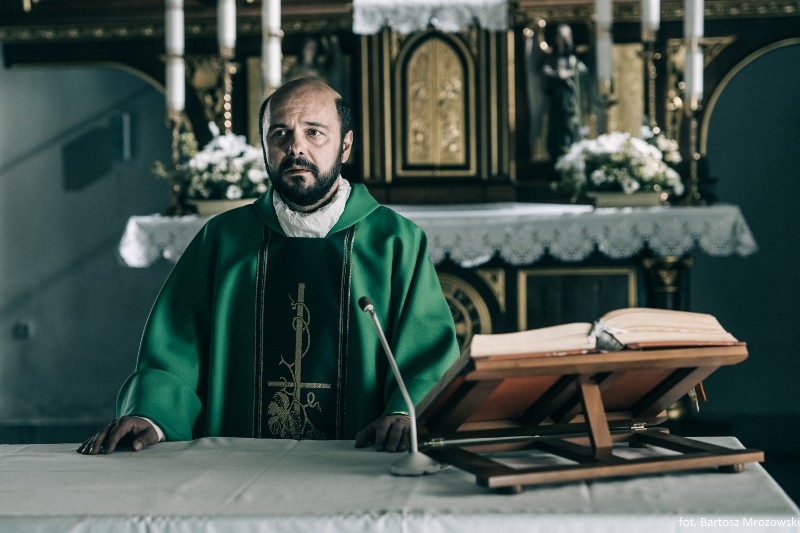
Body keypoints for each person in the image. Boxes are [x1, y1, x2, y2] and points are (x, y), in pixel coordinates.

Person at [78, 78, 460, 456]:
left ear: (345, 146)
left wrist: (405, 412)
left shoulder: (395, 241)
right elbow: (177, 345)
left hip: (357, 461)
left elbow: (426, 353)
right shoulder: (224, 239)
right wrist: (153, 414)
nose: (296, 147)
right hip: (237, 460)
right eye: (280, 133)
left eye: (314, 133)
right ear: (264, 146)